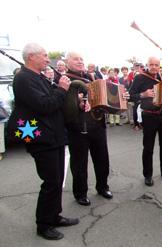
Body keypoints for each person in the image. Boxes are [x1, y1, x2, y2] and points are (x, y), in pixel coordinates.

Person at [10, 43, 79, 240]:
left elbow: (51, 102)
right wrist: (62, 89)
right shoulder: (23, 79)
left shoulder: (37, 76)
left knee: (57, 181)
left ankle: (54, 216)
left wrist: (59, 89)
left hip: (53, 135)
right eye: (44, 55)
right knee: (50, 182)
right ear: (31, 57)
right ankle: (43, 224)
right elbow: (45, 105)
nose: (48, 59)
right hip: (41, 138)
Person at [65, 52, 113, 205]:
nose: (79, 61)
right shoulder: (64, 79)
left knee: (102, 159)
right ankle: (80, 193)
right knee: (79, 163)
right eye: (75, 59)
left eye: (81, 59)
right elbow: (63, 104)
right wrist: (76, 101)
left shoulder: (91, 77)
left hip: (97, 124)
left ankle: (102, 186)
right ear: (67, 62)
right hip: (78, 128)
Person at [129, 56, 162, 186]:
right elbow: (129, 96)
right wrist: (143, 95)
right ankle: (148, 175)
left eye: (156, 64)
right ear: (147, 64)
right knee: (148, 147)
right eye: (151, 64)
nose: (154, 67)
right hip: (149, 116)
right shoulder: (139, 77)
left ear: (159, 66)